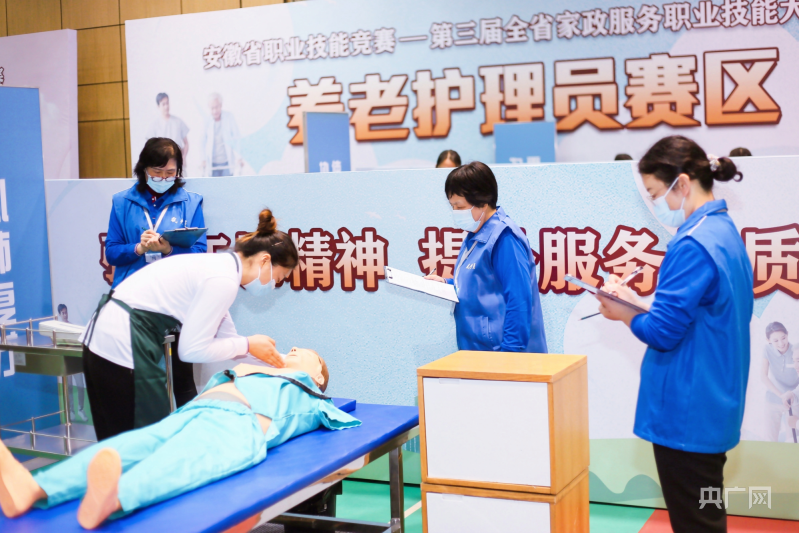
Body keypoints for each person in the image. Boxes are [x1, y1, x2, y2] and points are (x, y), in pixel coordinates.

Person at [0, 348, 361, 530]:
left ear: (318, 375)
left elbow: (341, 418)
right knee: (124, 447)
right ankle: (32, 488)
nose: (294, 350)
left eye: (305, 354)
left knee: (175, 464)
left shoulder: (312, 394)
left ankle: (115, 498)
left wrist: (323, 398)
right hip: (192, 413)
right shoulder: (261, 371)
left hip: (237, 427)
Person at [596, 136, 753, 533]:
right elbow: (697, 316)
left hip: (688, 412)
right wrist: (635, 302)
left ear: (681, 183)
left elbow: (663, 332)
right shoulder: (722, 231)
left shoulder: (692, 243)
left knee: (695, 521)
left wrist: (623, 313)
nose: (655, 203)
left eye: (654, 193)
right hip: (713, 402)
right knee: (705, 513)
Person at [80, 208, 295, 441]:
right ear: (265, 260)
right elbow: (192, 350)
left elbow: (228, 340)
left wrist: (282, 361)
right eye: (279, 277)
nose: (275, 284)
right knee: (141, 444)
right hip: (122, 345)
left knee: (120, 443)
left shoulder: (221, 268)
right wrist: (248, 344)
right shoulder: (222, 279)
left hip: (104, 339)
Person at [105, 138, 207, 409]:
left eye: (170, 173)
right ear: (143, 169)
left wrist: (168, 249)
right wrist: (138, 248)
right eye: (157, 172)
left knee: (183, 380)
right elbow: (112, 252)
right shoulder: (122, 202)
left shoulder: (190, 203)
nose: (163, 179)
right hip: (134, 302)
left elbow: (200, 253)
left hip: (176, 303)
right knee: (138, 380)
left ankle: (189, 431)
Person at [425, 162, 547, 354]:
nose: (455, 212)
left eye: (459, 206)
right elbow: (480, 285)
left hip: (504, 355)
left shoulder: (504, 238)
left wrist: (510, 354)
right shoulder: (475, 235)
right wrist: (445, 283)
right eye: (452, 206)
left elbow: (519, 299)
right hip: (480, 353)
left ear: (482, 201)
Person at [762, 322, 798, 441]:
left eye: (783, 338)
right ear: (768, 340)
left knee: (792, 440)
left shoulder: (795, 351)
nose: (781, 343)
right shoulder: (767, 349)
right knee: (770, 439)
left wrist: (790, 395)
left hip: (792, 401)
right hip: (773, 399)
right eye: (776, 340)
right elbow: (763, 376)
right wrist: (781, 395)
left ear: (787, 334)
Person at [57, 304, 88, 422]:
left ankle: (81, 409)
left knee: (80, 385)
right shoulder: (57, 329)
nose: (65, 315)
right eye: (63, 313)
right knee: (69, 387)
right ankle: (71, 410)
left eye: (66, 312)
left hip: (75, 362)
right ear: (60, 314)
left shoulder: (72, 327)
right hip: (66, 362)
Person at [201, 93, 242, 177]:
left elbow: (237, 138)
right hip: (212, 164)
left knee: (227, 184)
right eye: (212, 108)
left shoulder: (229, 117)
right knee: (214, 185)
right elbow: (202, 141)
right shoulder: (207, 120)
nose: (215, 111)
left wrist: (239, 157)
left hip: (227, 163)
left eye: (216, 107)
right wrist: (203, 159)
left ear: (221, 105)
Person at [145, 93, 189, 161]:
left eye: (167, 103)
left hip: (176, 160)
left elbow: (186, 143)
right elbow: (150, 147)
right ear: (158, 106)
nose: (166, 106)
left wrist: (184, 157)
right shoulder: (154, 125)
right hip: (161, 161)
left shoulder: (178, 121)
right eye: (163, 104)